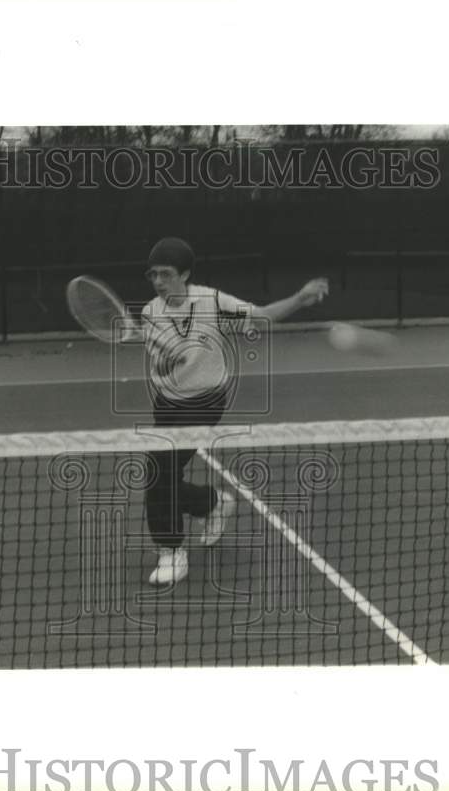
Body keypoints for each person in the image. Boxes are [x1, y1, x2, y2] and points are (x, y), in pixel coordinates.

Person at [137, 237, 329, 584]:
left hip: (205, 401)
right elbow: (162, 368)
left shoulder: (212, 302)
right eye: (153, 275)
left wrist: (300, 299)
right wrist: (169, 357)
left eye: (166, 274)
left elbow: (261, 317)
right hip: (166, 404)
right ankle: (211, 503)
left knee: (159, 471)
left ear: (185, 275)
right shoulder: (150, 313)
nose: (158, 281)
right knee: (159, 476)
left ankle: (171, 552)